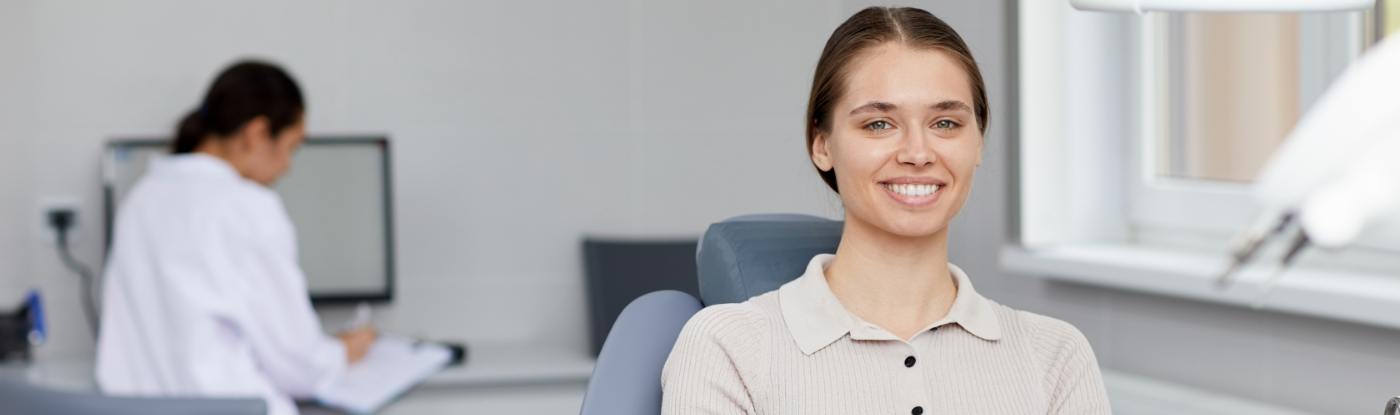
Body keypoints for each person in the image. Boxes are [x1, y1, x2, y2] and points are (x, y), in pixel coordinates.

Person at [661, 7, 1111, 414]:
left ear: (978, 143)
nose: (918, 152)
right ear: (822, 144)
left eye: (946, 123)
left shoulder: (1055, 356)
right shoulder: (728, 348)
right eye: (879, 124)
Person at [96, 60, 376, 415]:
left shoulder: (140, 199)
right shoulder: (246, 206)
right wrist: (344, 351)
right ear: (257, 133)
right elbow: (298, 366)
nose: (287, 166)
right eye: (291, 148)